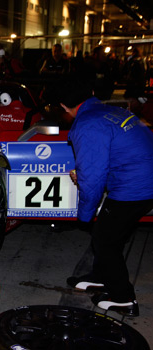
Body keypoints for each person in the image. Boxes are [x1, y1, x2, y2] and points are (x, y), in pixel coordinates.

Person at [60, 79, 153, 317]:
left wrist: (85, 215)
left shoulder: (88, 124)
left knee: (106, 239)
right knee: (107, 232)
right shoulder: (109, 110)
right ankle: (102, 277)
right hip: (141, 178)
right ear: (90, 94)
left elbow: (91, 178)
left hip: (136, 186)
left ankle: (123, 299)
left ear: (63, 106)